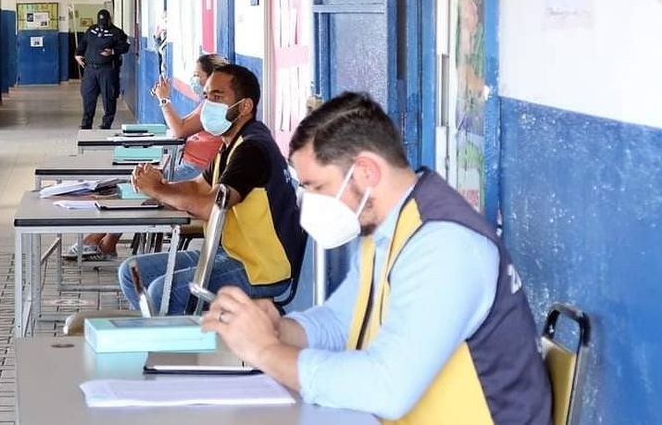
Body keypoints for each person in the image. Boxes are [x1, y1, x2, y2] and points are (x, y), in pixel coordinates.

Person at [201, 92, 552, 424]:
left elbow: (387, 386)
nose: (310, 204)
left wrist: (265, 351)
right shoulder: (387, 227)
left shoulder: (446, 245)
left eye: (318, 187)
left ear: (366, 172)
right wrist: (277, 328)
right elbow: (340, 322)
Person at [118, 64, 305, 314]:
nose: (208, 104)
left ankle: (174, 337)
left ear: (245, 106)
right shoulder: (230, 144)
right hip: (229, 252)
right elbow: (198, 186)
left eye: (217, 97)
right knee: (132, 273)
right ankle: (162, 333)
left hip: (260, 267)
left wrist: (158, 191)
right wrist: (161, 184)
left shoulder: (252, 149)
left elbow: (211, 208)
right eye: (206, 96)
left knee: (163, 293)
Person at [64, 53, 228, 261]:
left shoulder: (215, 108)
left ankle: (101, 241)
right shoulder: (205, 104)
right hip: (188, 165)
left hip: (197, 171)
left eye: (197, 75)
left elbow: (179, 130)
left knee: (140, 186)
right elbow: (181, 126)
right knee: (136, 182)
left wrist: (164, 99)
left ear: (212, 78)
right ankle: (105, 241)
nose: (193, 79)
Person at [75, 9, 129, 130]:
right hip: (90, 69)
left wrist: (113, 51)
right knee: (88, 95)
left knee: (108, 96)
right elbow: (83, 43)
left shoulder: (117, 32)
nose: (103, 25)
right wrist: (78, 54)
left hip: (107, 69)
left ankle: (106, 123)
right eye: (101, 23)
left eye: (105, 23)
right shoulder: (91, 30)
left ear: (109, 20)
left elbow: (125, 47)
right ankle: (86, 123)